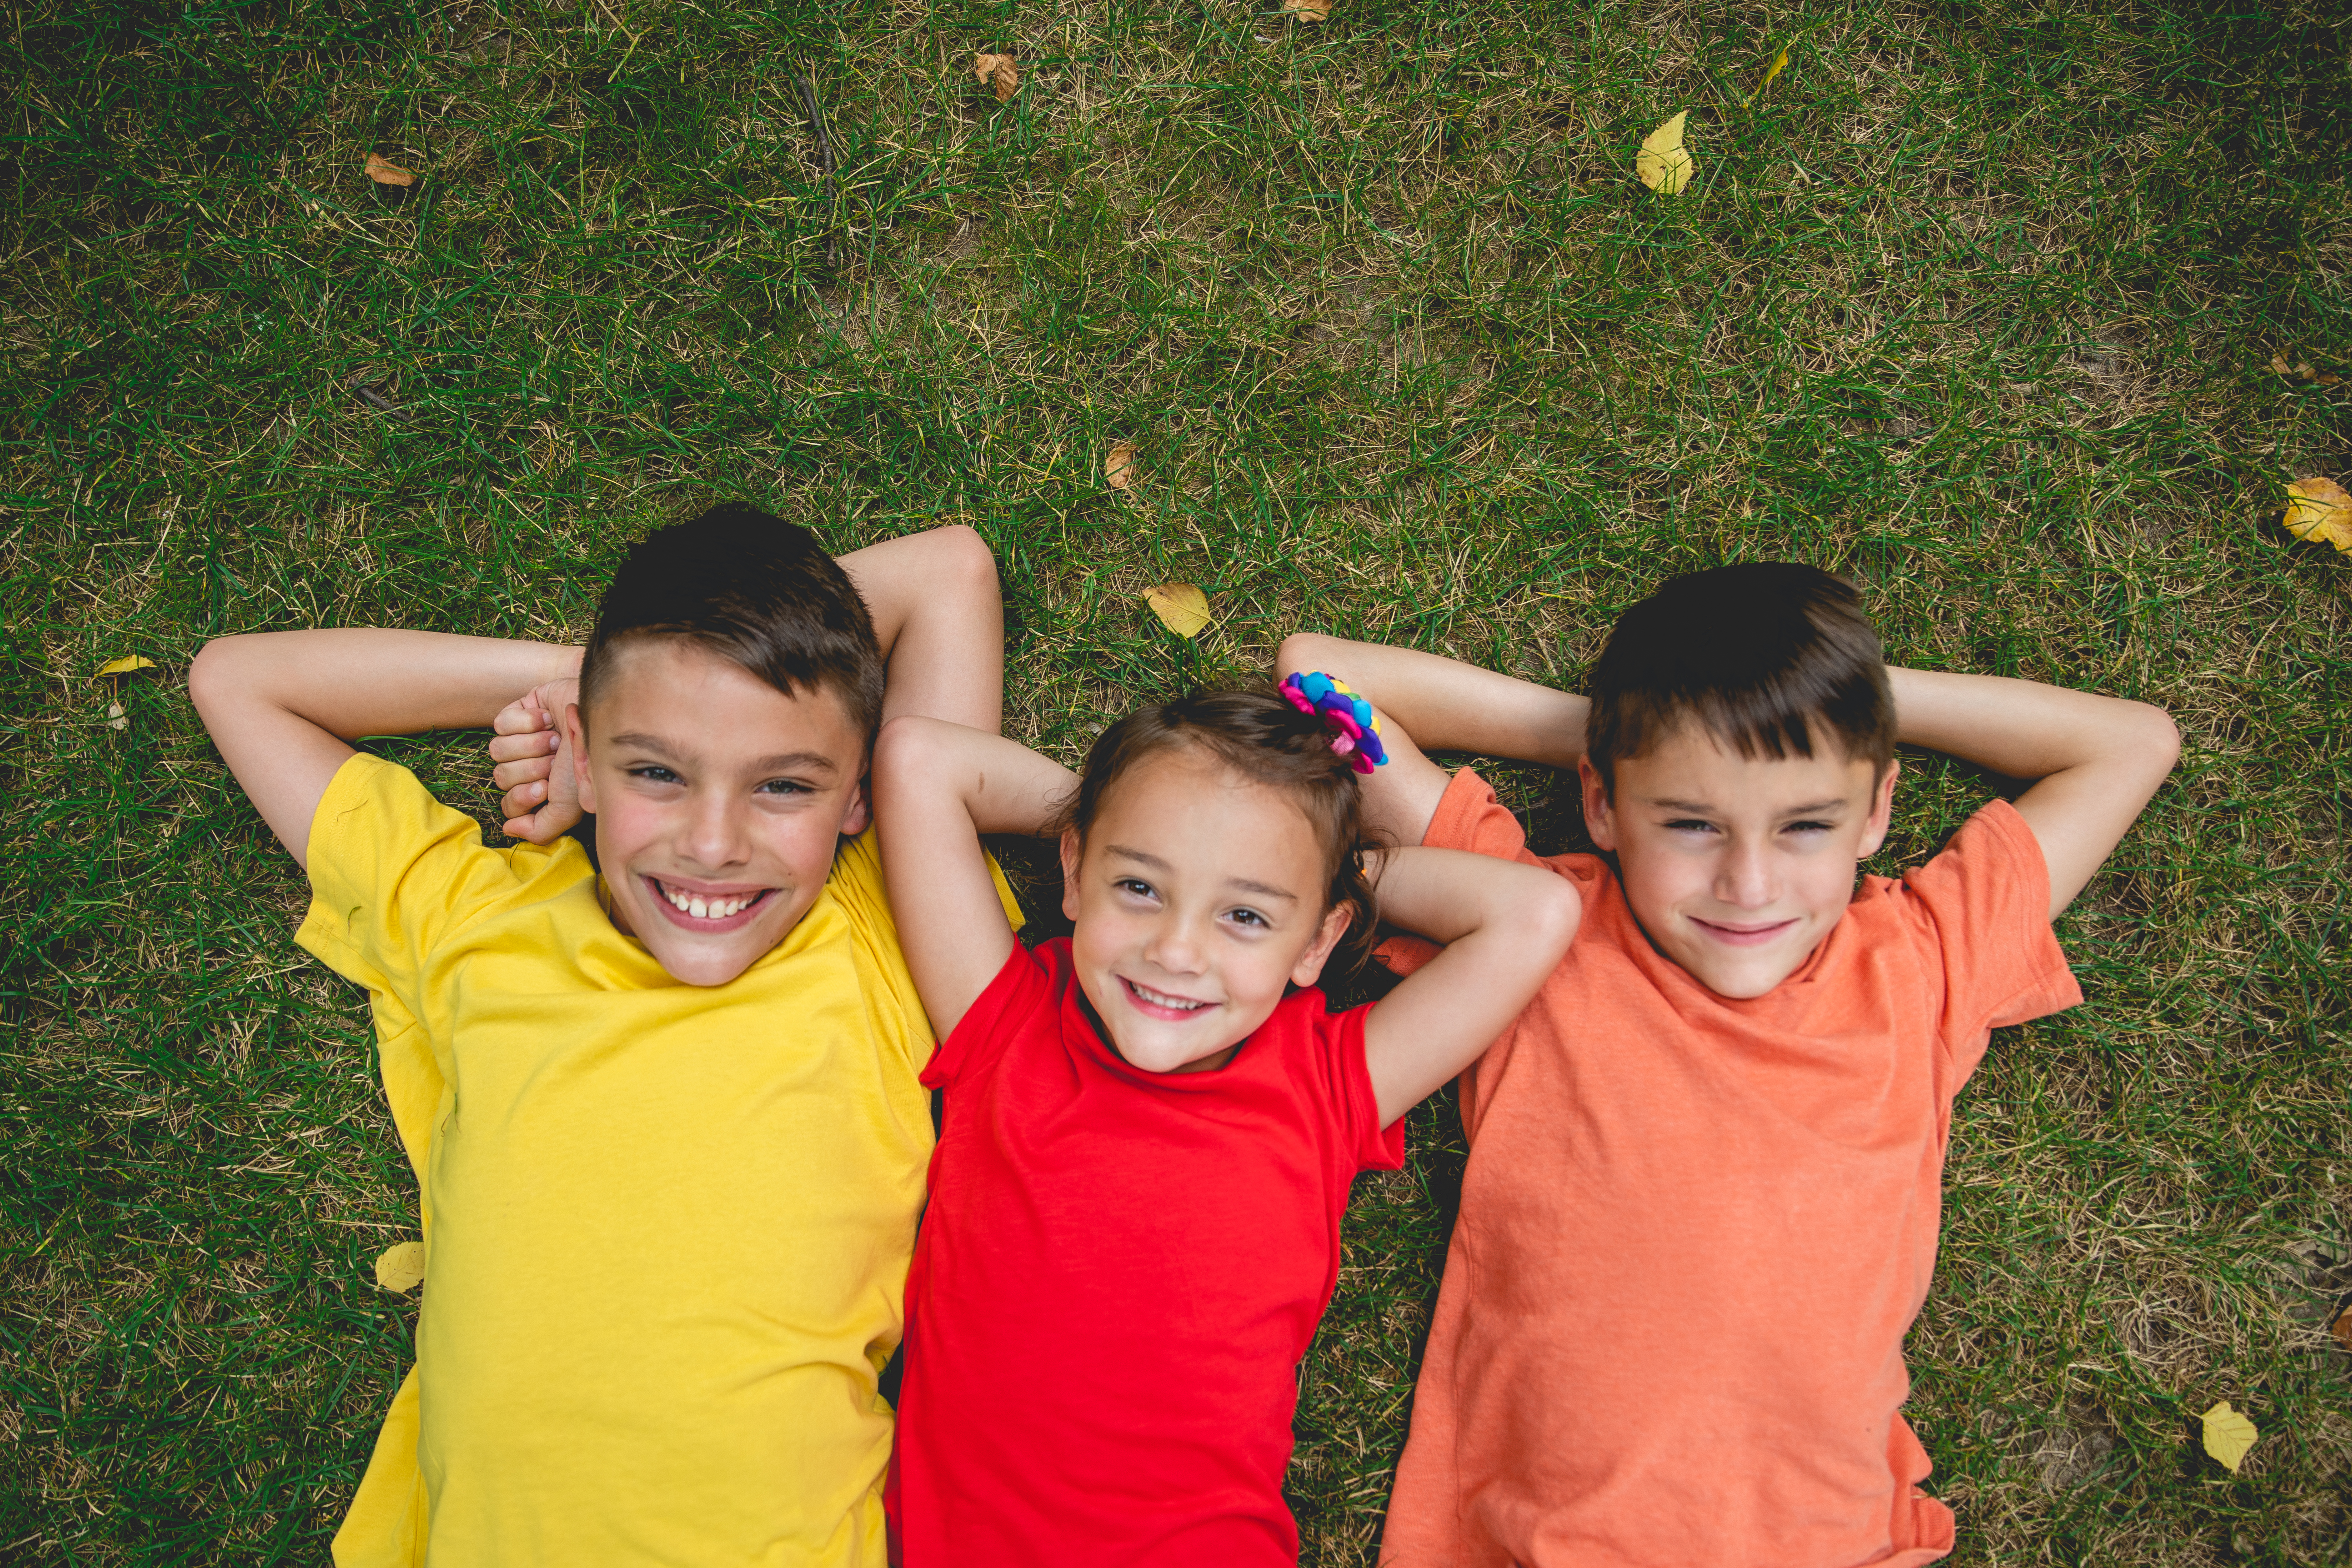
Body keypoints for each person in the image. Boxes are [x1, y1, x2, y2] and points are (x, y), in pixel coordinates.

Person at [1278, 563, 2181, 1568]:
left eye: (1804, 823)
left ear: (1875, 809)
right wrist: (1631, 729)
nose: (1747, 884)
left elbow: (2133, 742)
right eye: (1691, 820)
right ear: (1603, 803)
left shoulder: (1923, 958)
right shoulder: (1531, 929)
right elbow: (1318, 683)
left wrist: (1840, 703)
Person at [187, 508, 1009, 1568]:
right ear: (582, 751)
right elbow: (236, 681)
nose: (712, 844)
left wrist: (642, 696)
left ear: (859, 797)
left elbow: (949, 573)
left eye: (785, 786)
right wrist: (593, 684)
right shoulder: (473, 923)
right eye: (656, 771)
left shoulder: (886, 926)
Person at [868, 678, 1585, 1565]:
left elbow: (1533, 913)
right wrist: (1162, 803)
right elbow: (918, 761)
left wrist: (1320, 862)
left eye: (1245, 914)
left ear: (1320, 943)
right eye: (1138, 884)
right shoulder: (1005, 1025)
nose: (1176, 950)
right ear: (1073, 872)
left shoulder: (1324, 1084)